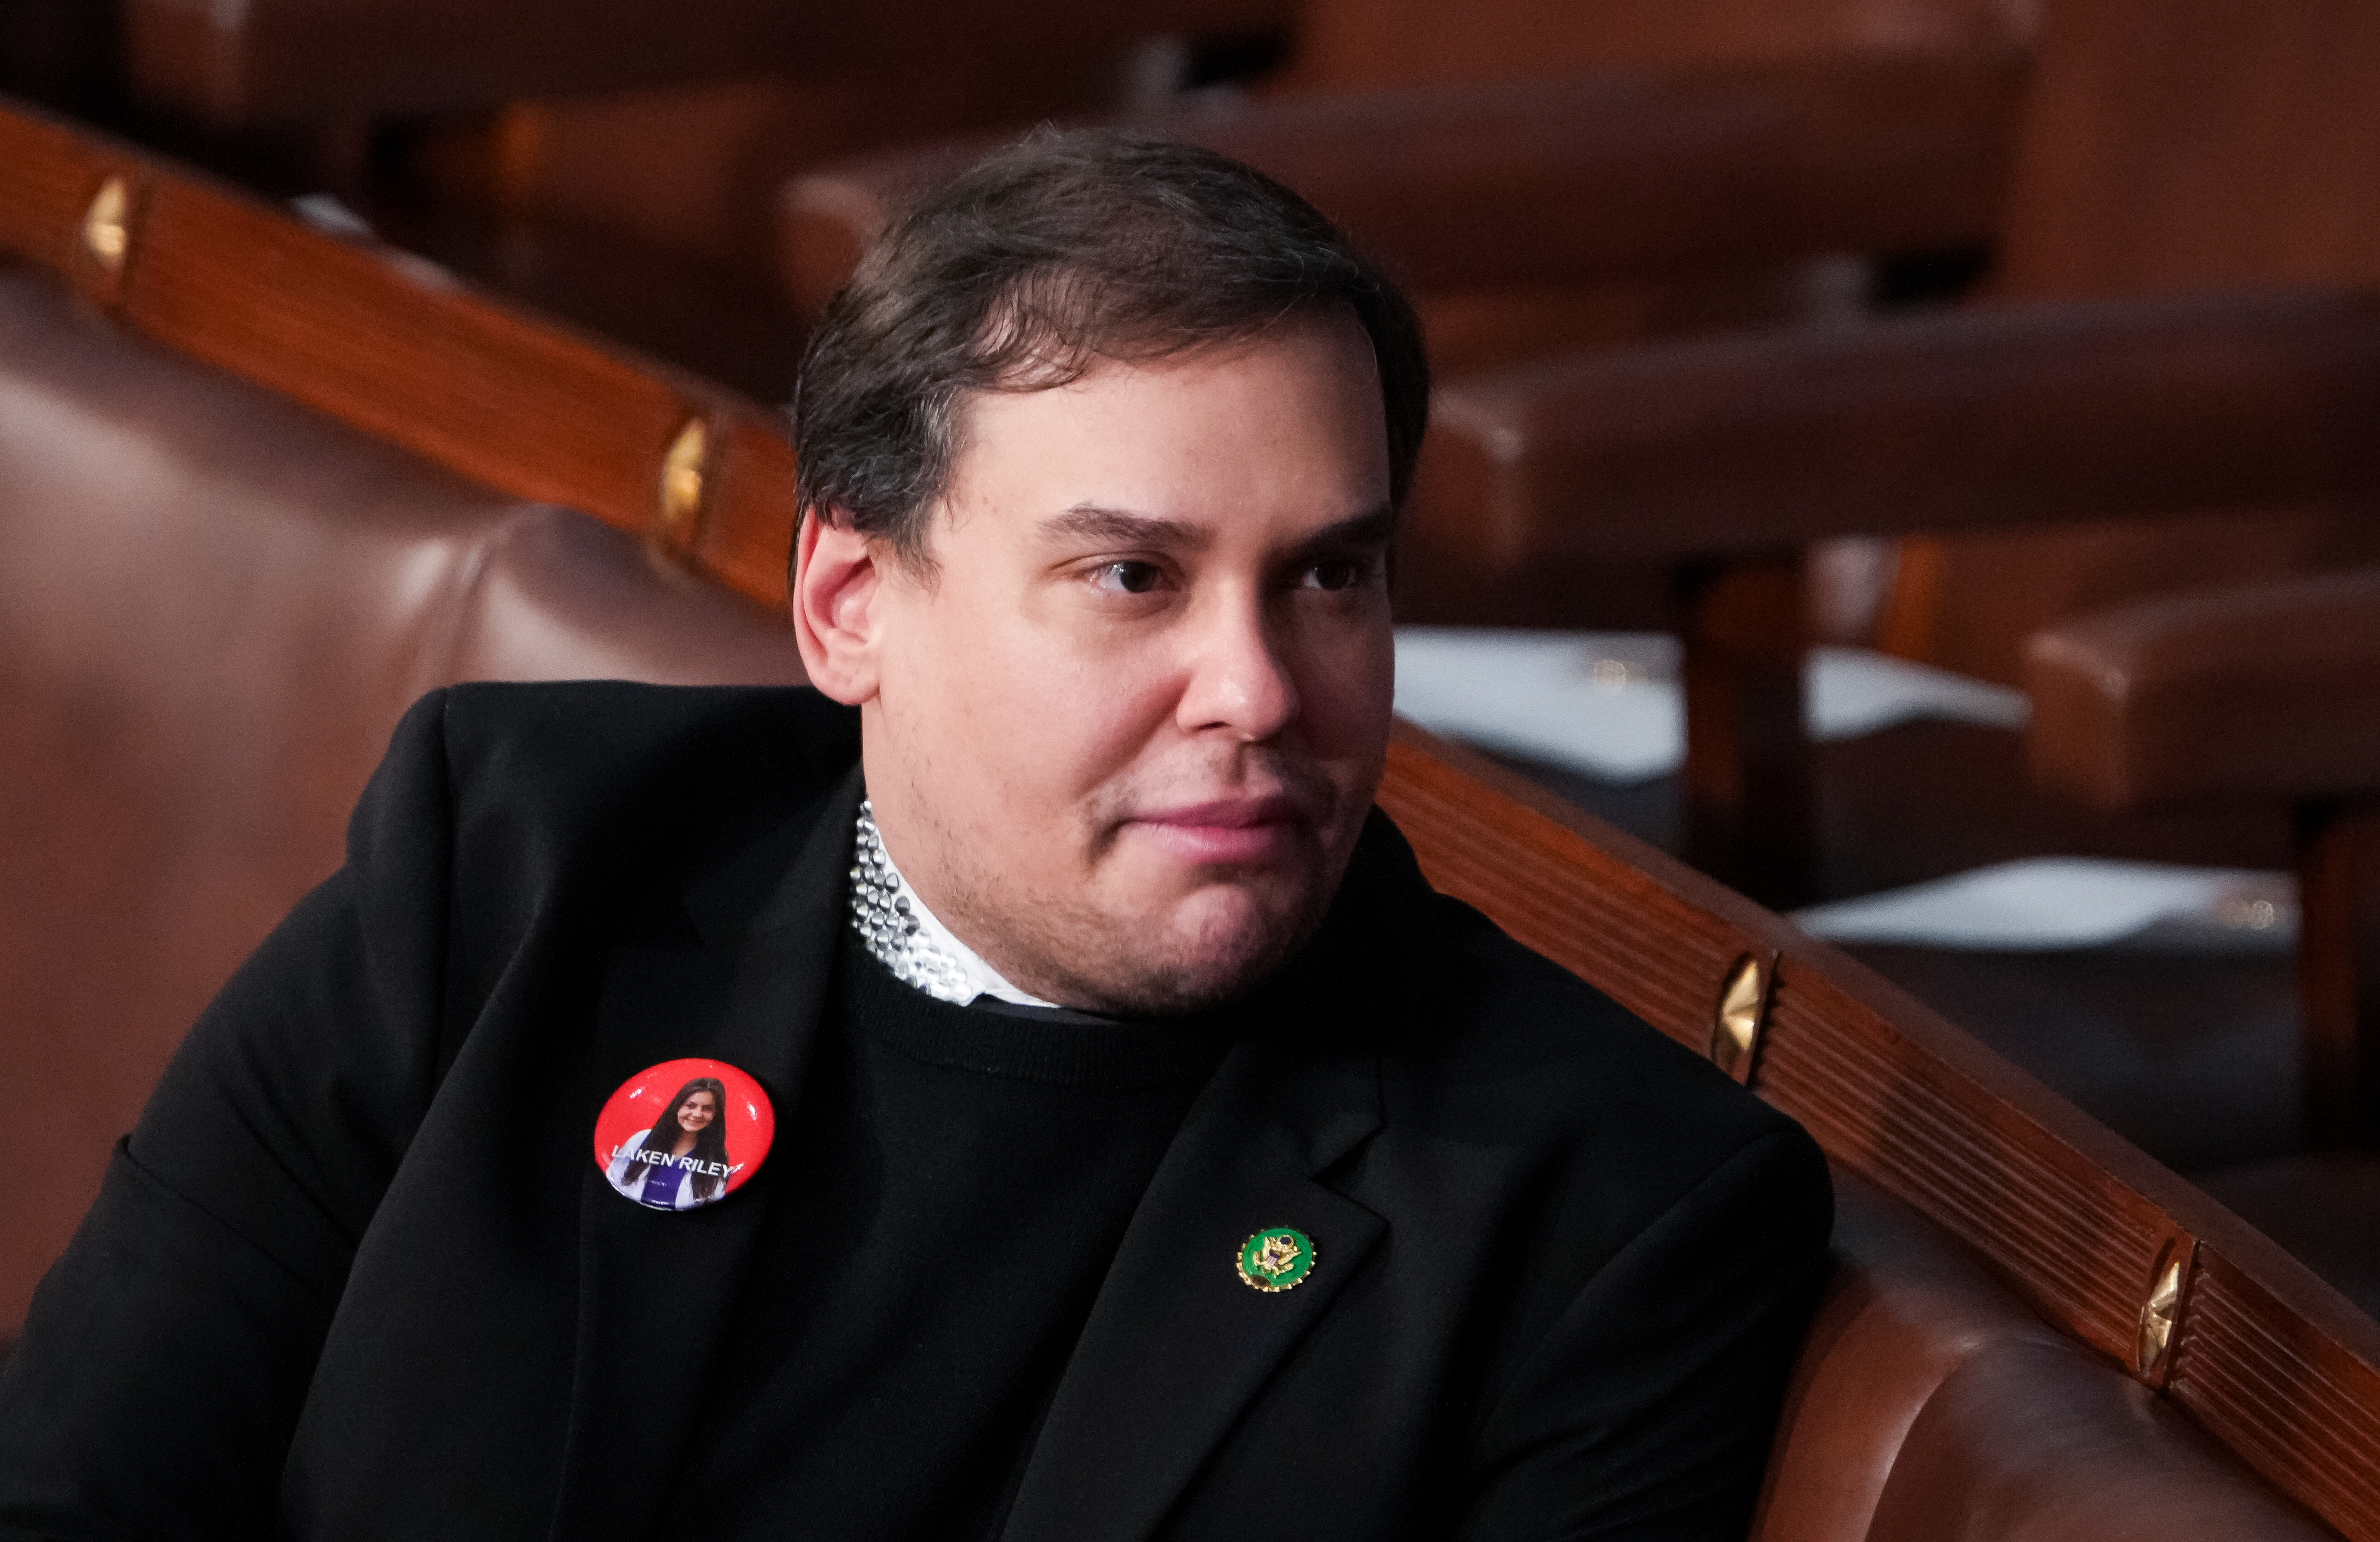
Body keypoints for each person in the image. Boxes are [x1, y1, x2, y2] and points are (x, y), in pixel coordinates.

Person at [0, 130, 1831, 1540]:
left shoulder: (1596, 1205)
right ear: (852, 601)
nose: (1260, 689)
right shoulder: (510, 870)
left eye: (1328, 575)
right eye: (1132, 575)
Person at [608, 1077, 732, 1209]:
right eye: (690, 1105)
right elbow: (614, 1177)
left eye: (707, 1109)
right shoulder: (641, 1139)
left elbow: (713, 1199)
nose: (697, 1114)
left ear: (715, 1115)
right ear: (677, 1106)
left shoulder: (717, 1157)